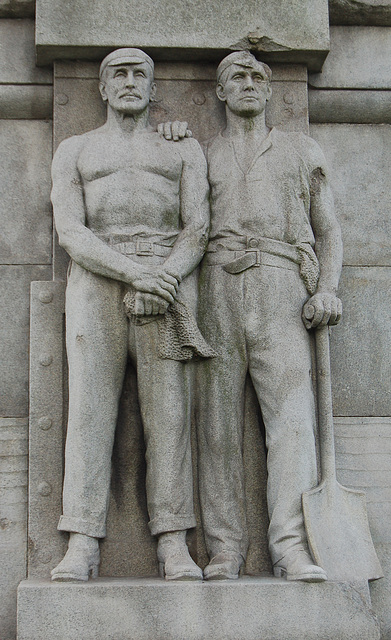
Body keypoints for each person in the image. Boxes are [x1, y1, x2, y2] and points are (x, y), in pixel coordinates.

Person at [161, 51, 342, 582]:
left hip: (282, 285)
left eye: (258, 77)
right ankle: (225, 550)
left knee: (291, 420)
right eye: (236, 77)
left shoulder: (301, 149)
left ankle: (289, 547)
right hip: (217, 283)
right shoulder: (200, 152)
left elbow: (328, 229)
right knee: (216, 423)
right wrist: (165, 135)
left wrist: (327, 288)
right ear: (219, 92)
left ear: (269, 90)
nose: (248, 84)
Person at [50, 48, 211, 581]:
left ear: (152, 86)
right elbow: (71, 230)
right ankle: (81, 540)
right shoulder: (75, 149)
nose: (128, 80)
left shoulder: (183, 148)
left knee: (168, 417)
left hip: (166, 276)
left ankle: (173, 543)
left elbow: (197, 228)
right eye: (117, 72)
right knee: (90, 412)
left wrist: (162, 277)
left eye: (139, 73)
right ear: (101, 87)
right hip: (98, 280)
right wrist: (131, 272)